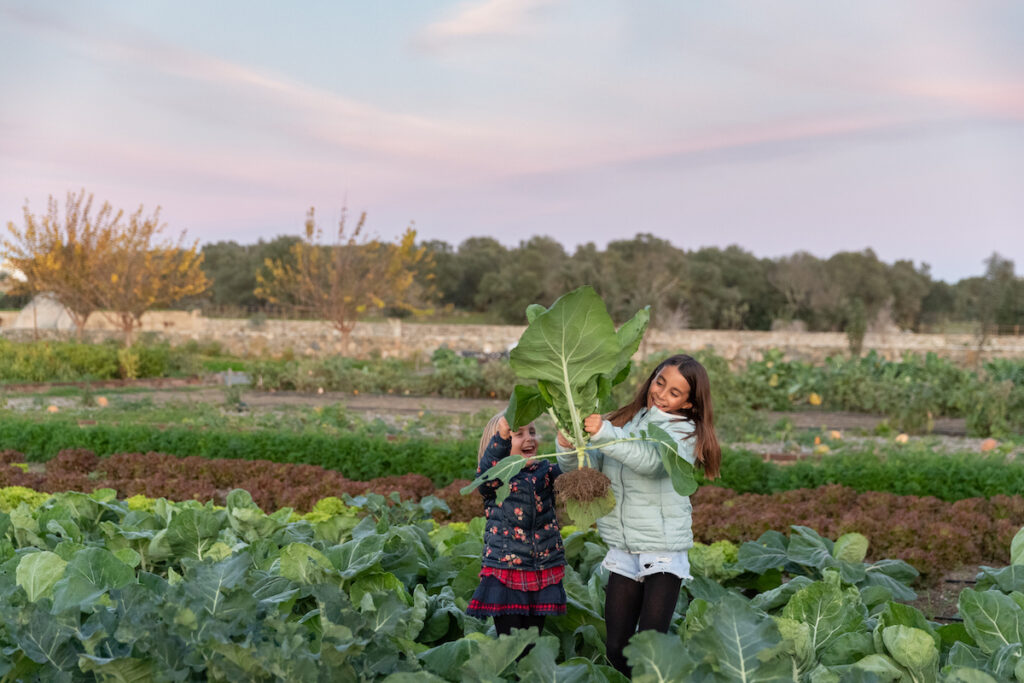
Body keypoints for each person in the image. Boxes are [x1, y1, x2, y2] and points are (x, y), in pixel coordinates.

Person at [556, 354, 722, 676]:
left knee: (649, 646)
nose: (661, 394)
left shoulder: (683, 435)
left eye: (675, 392)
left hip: (662, 551)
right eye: (660, 382)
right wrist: (568, 448)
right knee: (616, 646)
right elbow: (590, 475)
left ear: (689, 404)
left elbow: (649, 461)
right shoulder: (624, 422)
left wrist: (605, 434)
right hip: (624, 549)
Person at [467, 412, 566, 638]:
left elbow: (570, 471)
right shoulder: (496, 479)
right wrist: (502, 438)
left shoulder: (545, 472)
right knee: (511, 644)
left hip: (541, 569)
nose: (529, 438)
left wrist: (569, 444)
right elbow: (485, 476)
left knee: (532, 641)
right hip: (505, 571)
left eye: (532, 431)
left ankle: (528, 673)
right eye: (518, 434)